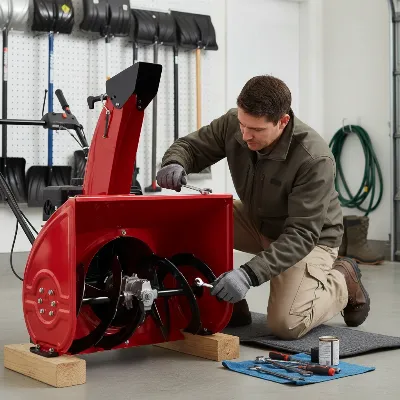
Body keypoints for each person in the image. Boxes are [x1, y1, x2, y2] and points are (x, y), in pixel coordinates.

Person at [156, 75, 370, 340]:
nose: (245, 135)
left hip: (310, 240)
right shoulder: (235, 123)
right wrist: (175, 162)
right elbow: (190, 146)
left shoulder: (314, 158)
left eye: (256, 130)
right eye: (243, 125)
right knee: (193, 219)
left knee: (287, 324)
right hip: (258, 220)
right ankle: (229, 305)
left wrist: (247, 275)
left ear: (283, 122)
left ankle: (343, 281)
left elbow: (301, 235)